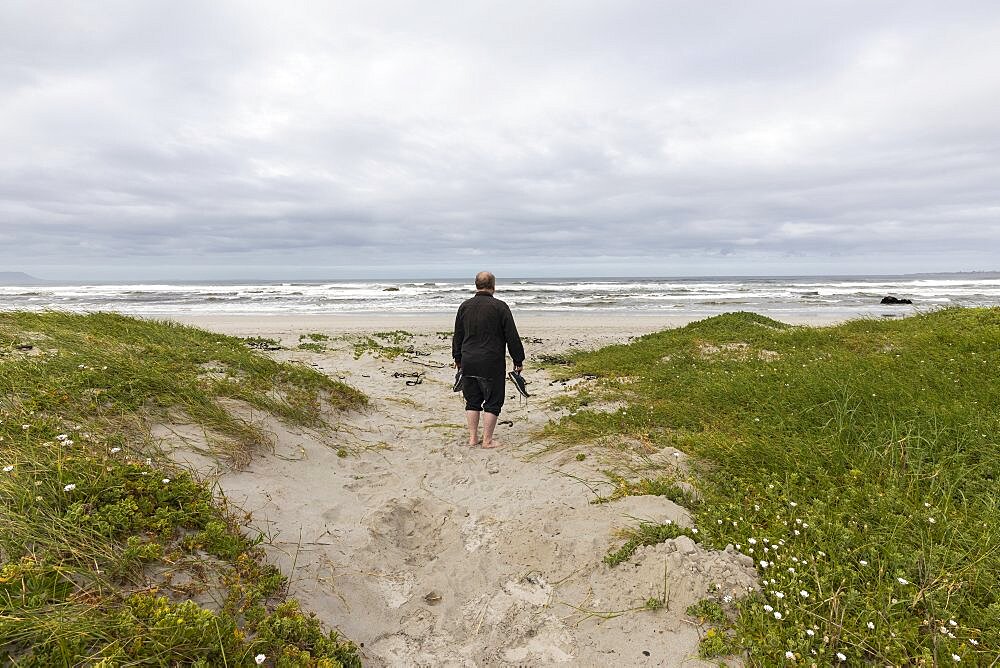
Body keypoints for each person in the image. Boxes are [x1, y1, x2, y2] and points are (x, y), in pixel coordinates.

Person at [452, 271, 525, 449]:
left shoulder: (465, 306)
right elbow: (511, 336)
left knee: (472, 400)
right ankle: (487, 441)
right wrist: (518, 359)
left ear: (476, 285)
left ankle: (472, 438)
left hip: (469, 359)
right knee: (493, 401)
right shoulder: (500, 307)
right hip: (492, 362)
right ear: (493, 286)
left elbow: (458, 335)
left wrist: (457, 358)